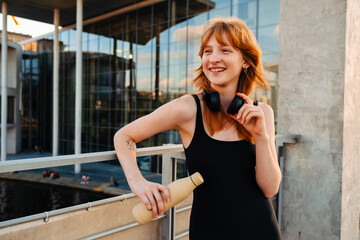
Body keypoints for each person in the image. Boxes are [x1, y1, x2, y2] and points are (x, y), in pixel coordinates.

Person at [114, 17, 282, 239]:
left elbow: (270, 189)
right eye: (207, 51)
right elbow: (124, 135)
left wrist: (260, 135)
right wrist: (138, 182)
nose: (213, 59)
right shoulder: (187, 108)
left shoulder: (263, 113)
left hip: (261, 231)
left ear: (246, 61)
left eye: (225, 50)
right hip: (208, 232)